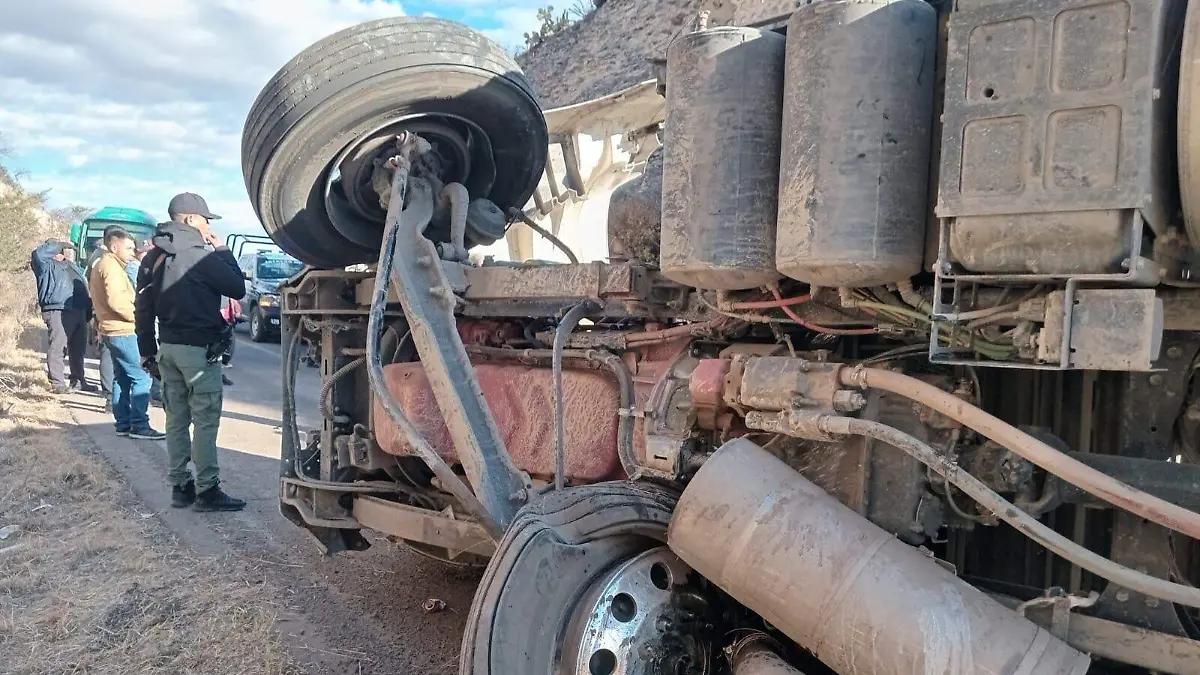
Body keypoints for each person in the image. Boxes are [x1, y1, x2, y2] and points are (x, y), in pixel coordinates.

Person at [136, 193, 246, 511]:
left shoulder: (152, 257)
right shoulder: (202, 256)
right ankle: (207, 491)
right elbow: (237, 287)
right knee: (205, 420)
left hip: (167, 348)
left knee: (176, 419)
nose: (208, 225)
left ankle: (180, 487)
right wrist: (222, 248)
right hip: (198, 350)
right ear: (188, 219)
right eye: (205, 219)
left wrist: (147, 351)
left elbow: (142, 307)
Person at [90, 228, 165, 440]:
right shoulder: (111, 266)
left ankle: (123, 422)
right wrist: (139, 318)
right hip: (123, 329)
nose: (133, 252)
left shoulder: (105, 264)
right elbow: (116, 301)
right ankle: (139, 425)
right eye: (129, 247)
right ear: (115, 247)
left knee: (121, 377)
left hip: (112, 330)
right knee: (141, 376)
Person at [30, 239, 97, 394]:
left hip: (79, 309)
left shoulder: (71, 265)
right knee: (58, 346)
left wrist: (88, 310)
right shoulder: (45, 265)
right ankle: (57, 383)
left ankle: (78, 380)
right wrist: (60, 244)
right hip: (59, 309)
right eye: (58, 249)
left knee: (78, 348)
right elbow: (38, 254)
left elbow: (84, 285)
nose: (61, 252)